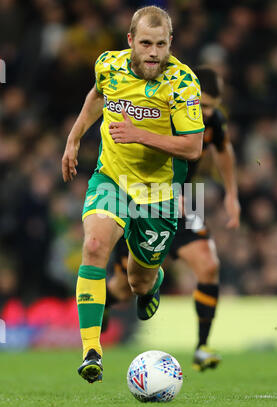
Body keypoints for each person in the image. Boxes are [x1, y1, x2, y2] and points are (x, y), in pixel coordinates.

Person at [61, 6, 204, 383]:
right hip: (112, 179)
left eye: (161, 44)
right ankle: (91, 348)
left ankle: (151, 285)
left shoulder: (183, 83)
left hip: (158, 191)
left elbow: (192, 148)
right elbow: (96, 95)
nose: (153, 52)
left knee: (138, 280)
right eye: (145, 43)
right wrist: (74, 139)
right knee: (93, 246)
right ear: (130, 41)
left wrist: (141, 134)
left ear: (170, 43)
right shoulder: (109, 65)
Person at [104, 66, 240, 372]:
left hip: (183, 203)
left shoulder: (213, 120)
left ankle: (202, 347)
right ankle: (103, 305)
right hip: (143, 198)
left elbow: (224, 149)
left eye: (212, 108)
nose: (206, 113)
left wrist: (231, 194)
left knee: (209, 264)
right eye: (202, 105)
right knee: (128, 287)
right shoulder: (163, 112)